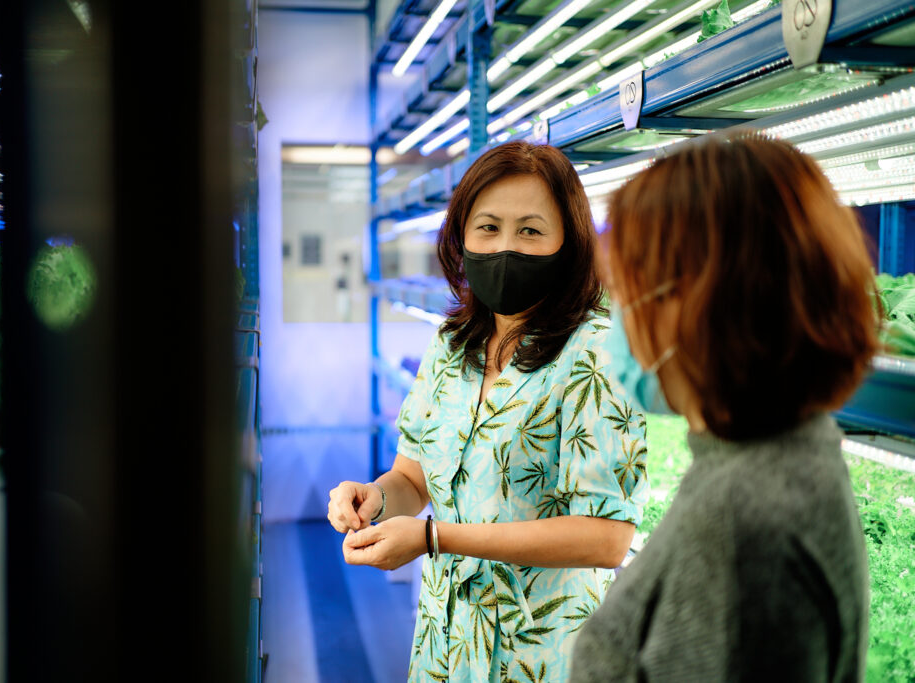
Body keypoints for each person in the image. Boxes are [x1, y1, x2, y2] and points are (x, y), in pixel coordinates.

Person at [327, 141, 650, 682]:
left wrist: (434, 538)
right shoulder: (453, 345)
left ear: (567, 242)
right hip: (447, 642)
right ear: (461, 236)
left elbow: (607, 536)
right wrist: (377, 499)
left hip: (542, 655)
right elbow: (415, 474)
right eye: (488, 227)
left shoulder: (598, 350)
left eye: (530, 230)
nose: (505, 248)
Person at [570, 134, 876, 681]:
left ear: (701, 300)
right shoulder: (789, 452)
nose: (615, 315)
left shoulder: (736, 521)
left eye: (626, 289)